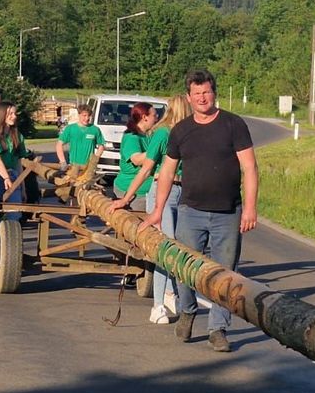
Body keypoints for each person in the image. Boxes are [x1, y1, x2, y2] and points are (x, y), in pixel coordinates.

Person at [142, 69, 258, 352]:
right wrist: (157, 210)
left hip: (228, 213)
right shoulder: (181, 131)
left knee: (225, 275)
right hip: (190, 211)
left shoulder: (233, 125)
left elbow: (250, 167)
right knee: (184, 268)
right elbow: (167, 171)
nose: (202, 98)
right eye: (197, 94)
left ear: (214, 93)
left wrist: (250, 209)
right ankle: (188, 310)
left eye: (206, 92)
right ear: (189, 98)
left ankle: (217, 329)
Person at [111, 94, 191, 324]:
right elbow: (145, 169)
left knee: (180, 246)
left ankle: (170, 292)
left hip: (184, 192)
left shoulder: (188, 133)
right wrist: (126, 198)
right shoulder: (164, 134)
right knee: (165, 245)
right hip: (162, 191)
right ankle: (158, 305)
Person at [111, 102, 157, 211]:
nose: (157, 119)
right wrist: (157, 149)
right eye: (154, 115)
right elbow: (136, 160)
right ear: (144, 117)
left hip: (146, 191)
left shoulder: (148, 135)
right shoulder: (132, 137)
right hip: (134, 194)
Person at [56, 104, 104, 170]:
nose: (87, 118)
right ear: (79, 115)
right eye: (84, 116)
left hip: (88, 168)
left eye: (89, 116)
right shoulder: (70, 129)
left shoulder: (95, 129)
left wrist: (94, 161)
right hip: (73, 167)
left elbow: (101, 146)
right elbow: (59, 144)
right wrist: (63, 162)